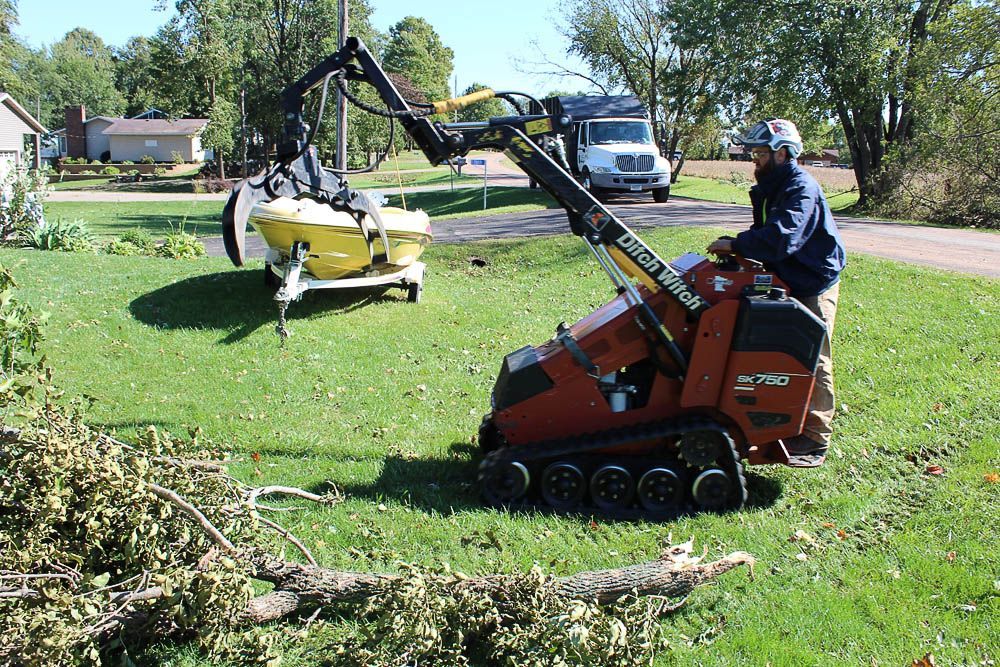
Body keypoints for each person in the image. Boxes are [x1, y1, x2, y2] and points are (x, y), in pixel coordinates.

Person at [707, 118, 846, 467]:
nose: (754, 159)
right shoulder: (772, 185)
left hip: (812, 280)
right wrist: (740, 248)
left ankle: (815, 438)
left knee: (811, 354)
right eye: (753, 152)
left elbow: (782, 238)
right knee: (776, 354)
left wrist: (737, 243)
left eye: (760, 153)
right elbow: (766, 232)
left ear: (783, 153)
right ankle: (777, 418)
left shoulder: (801, 188)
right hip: (786, 274)